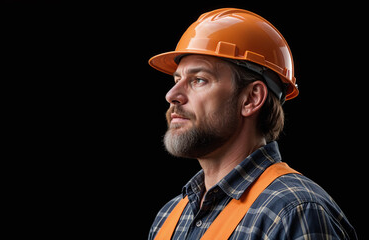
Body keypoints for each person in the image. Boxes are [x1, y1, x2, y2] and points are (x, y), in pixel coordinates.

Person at [147, 8, 357, 240]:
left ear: (251, 98)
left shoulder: (295, 212)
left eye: (199, 80)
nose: (172, 94)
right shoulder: (169, 217)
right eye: (177, 80)